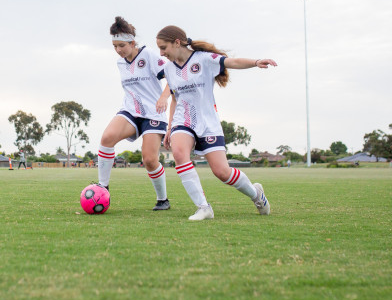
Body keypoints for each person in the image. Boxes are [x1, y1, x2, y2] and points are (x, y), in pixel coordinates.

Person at [156, 25, 276, 221]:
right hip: (183, 121)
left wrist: (256, 62)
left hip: (207, 122)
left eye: (164, 48)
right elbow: (175, 98)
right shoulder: (169, 69)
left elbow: (233, 61)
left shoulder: (204, 59)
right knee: (179, 153)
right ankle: (203, 208)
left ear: (177, 42)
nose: (161, 54)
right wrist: (170, 127)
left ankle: (256, 194)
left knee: (222, 172)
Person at [96, 16, 172, 211]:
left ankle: (163, 199)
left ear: (132, 42)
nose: (118, 50)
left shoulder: (149, 56)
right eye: (115, 46)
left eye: (122, 45)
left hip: (153, 114)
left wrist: (164, 97)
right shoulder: (120, 63)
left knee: (149, 159)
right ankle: (103, 188)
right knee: (107, 138)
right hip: (130, 111)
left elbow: (173, 77)